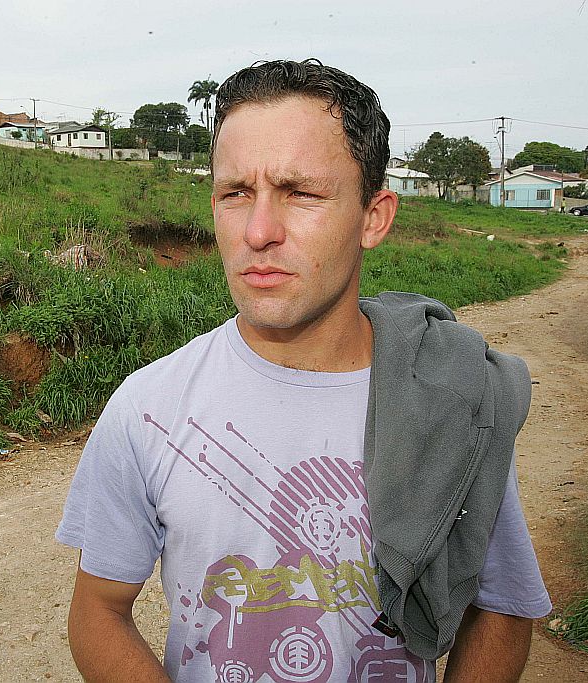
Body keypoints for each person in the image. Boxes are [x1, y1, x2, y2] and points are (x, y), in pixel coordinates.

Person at [56, 59, 550, 682]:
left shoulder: (452, 397)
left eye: (302, 194)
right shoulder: (149, 406)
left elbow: (499, 608)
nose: (258, 232)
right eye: (235, 193)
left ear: (374, 217)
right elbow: (98, 611)